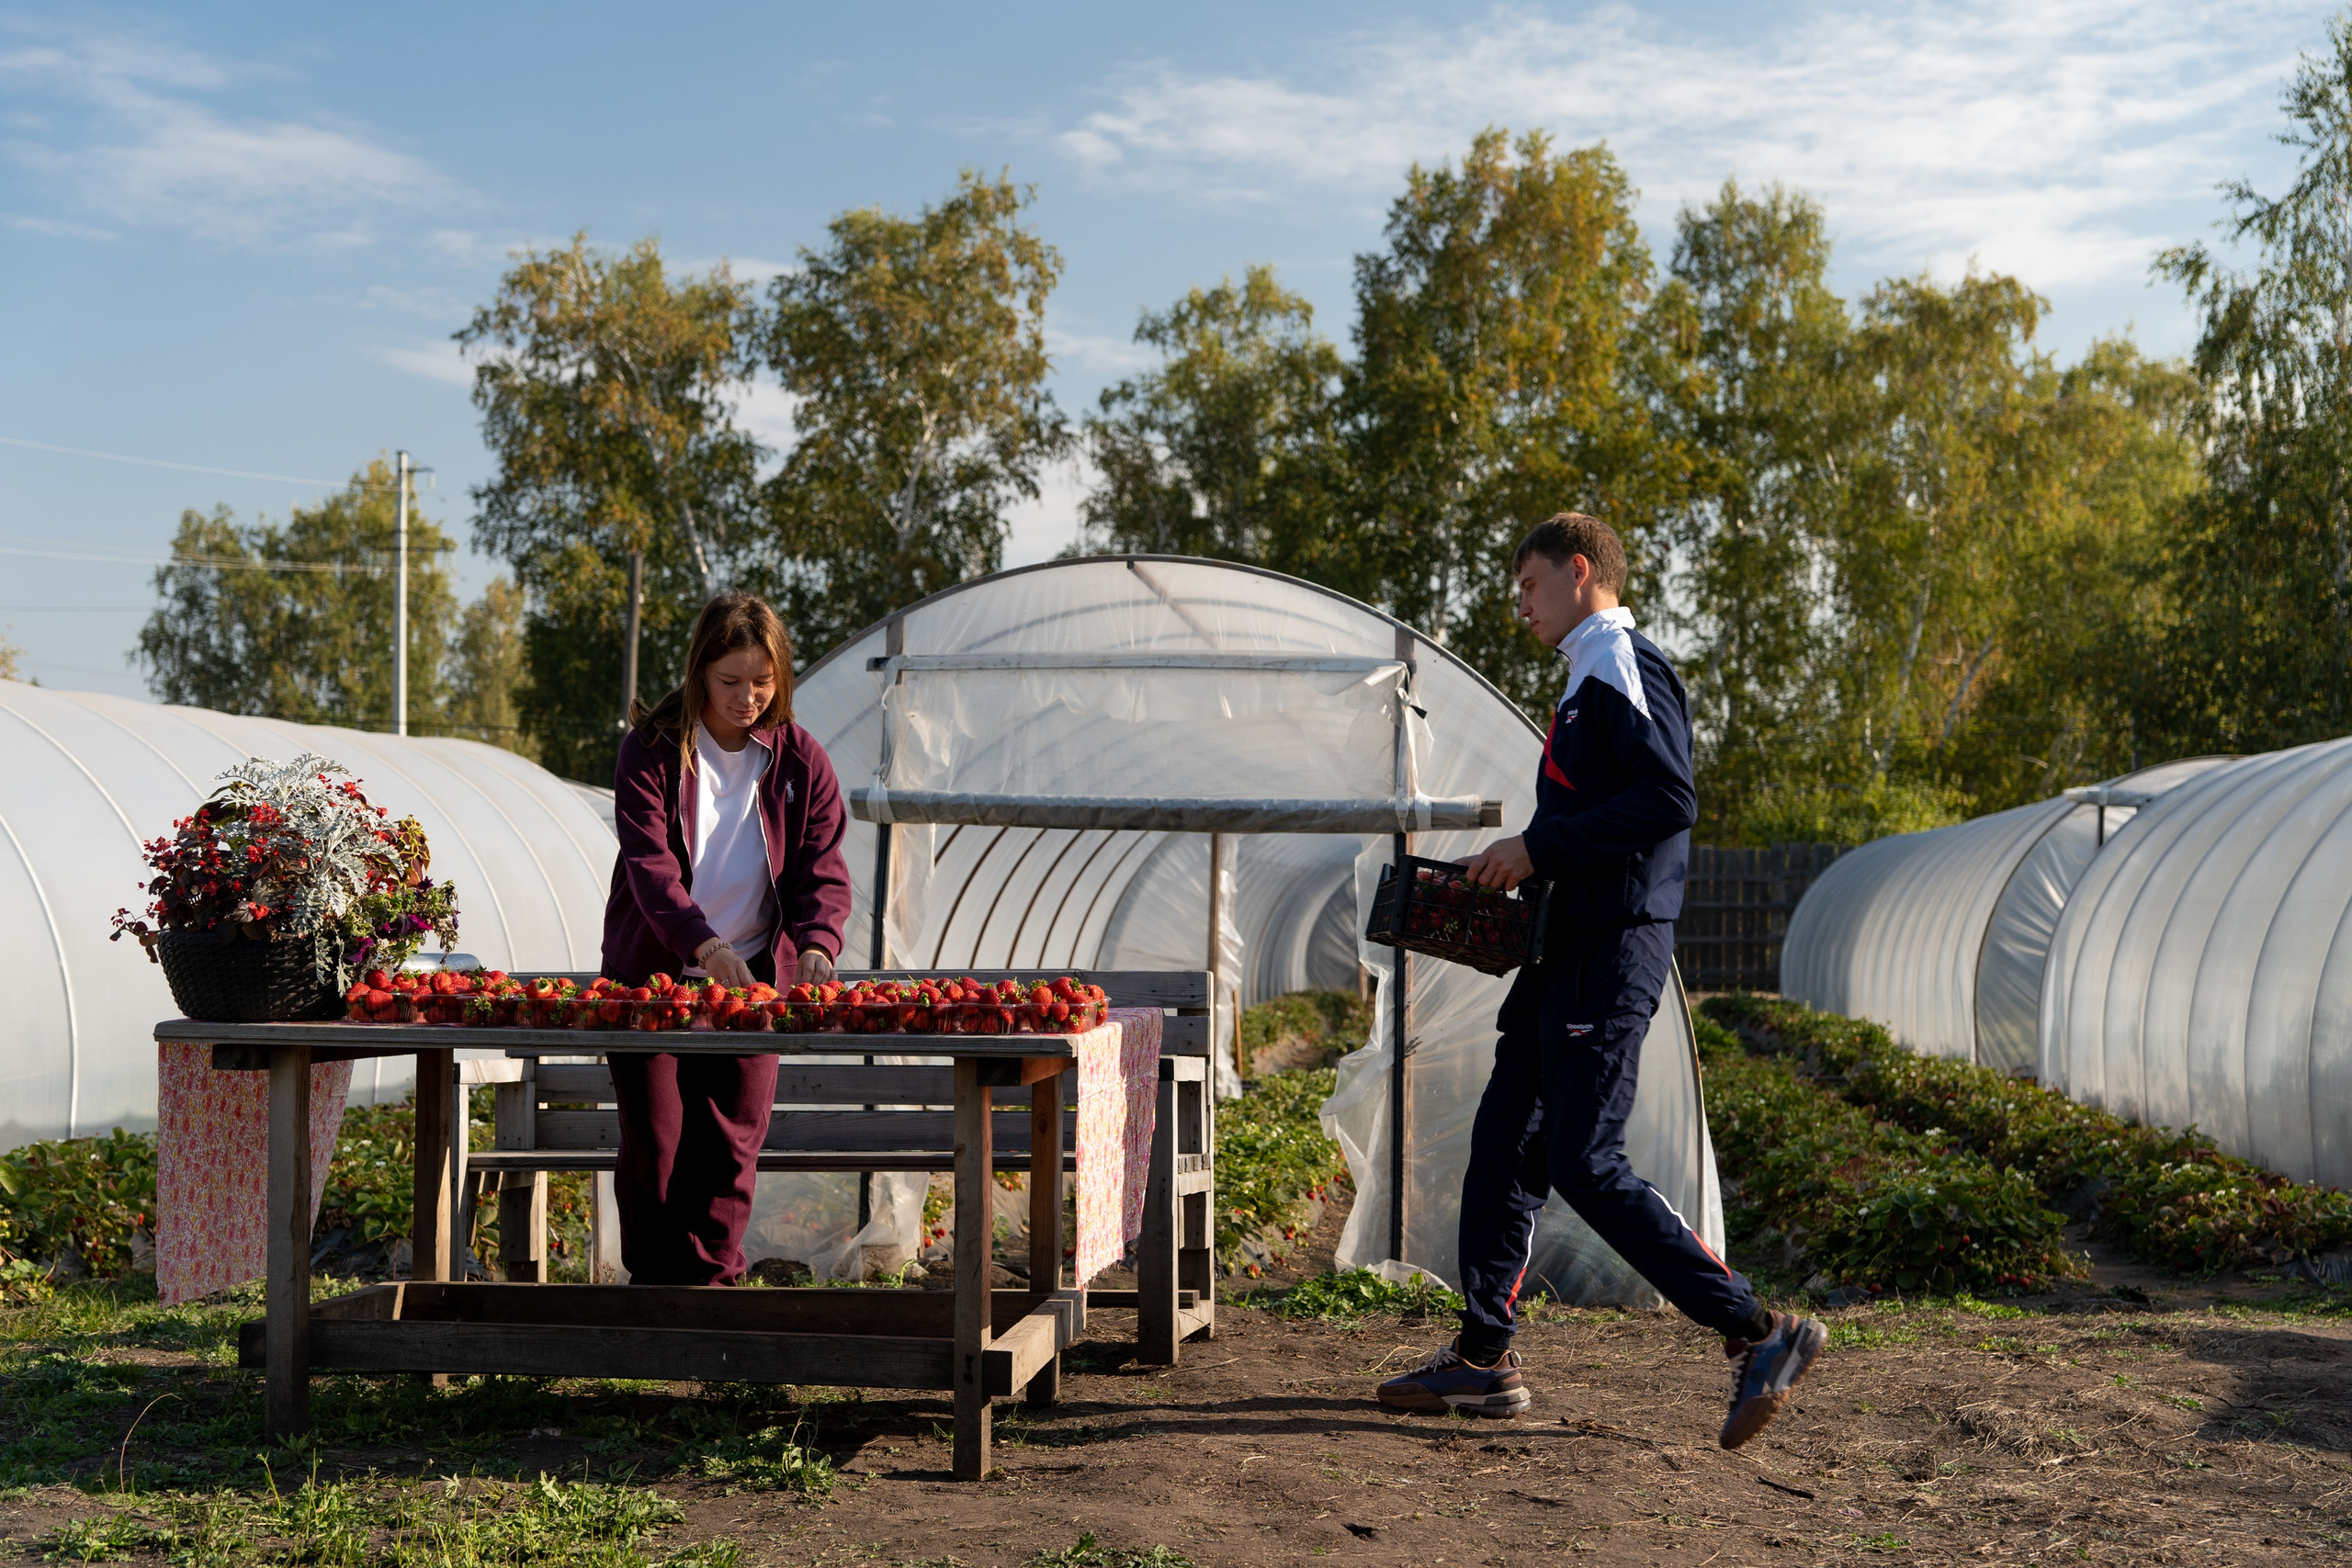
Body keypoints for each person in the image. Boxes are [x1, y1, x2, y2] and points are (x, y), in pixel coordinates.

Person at [1375, 513, 1826, 1450]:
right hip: (1563, 950)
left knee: (1585, 1160)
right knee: (1505, 1143)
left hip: (1612, 949)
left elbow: (1668, 798)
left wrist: (1537, 847)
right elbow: (1606, 813)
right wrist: (1523, 872)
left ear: (1579, 571)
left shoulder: (1620, 661)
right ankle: (1483, 1357)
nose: (1520, 605)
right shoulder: (1583, 678)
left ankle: (1756, 1330)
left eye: (1529, 585)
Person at [602, 591, 852, 1285]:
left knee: (730, 1148)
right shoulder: (650, 751)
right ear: (699, 674)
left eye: (762, 682)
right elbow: (650, 867)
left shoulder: (802, 761)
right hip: (652, 982)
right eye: (730, 680)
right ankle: (654, 1293)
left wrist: (817, 942)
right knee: (656, 1145)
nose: (747, 698)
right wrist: (703, 946)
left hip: (753, 985)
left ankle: (714, 1290)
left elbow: (822, 866)